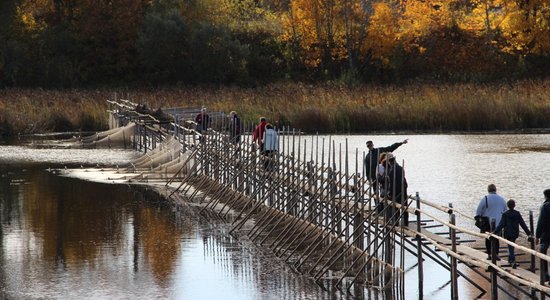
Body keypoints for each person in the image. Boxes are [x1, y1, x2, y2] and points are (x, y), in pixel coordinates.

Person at [493, 199, 532, 268]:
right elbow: (523, 224)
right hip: (515, 232)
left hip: (508, 232)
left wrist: (494, 232)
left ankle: (512, 260)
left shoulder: (505, 214)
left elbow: (501, 225)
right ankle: (510, 259)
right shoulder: (517, 213)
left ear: (507, 206)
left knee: (510, 246)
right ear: (514, 205)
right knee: (511, 245)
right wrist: (528, 233)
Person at [475, 184, 507, 260]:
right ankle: (496, 254)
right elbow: (505, 211)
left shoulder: (485, 199)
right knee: (496, 239)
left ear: (488, 190)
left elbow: (478, 211)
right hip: (499, 223)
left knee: (488, 239)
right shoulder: (501, 199)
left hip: (488, 223)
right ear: (495, 190)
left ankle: (489, 254)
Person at [383, 153, 409, 226]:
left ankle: (396, 222)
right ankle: (406, 222)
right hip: (403, 190)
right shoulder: (400, 168)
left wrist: (390, 192)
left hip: (395, 190)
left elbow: (391, 183)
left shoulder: (391, 170)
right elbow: (403, 179)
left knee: (395, 207)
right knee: (404, 206)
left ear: (389, 162)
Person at [536, 189, 550, 280]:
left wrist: (537, 236)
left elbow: (540, 222)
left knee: (543, 253)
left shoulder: (544, 206)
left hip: (546, 234)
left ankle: (545, 275)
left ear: (545, 196)